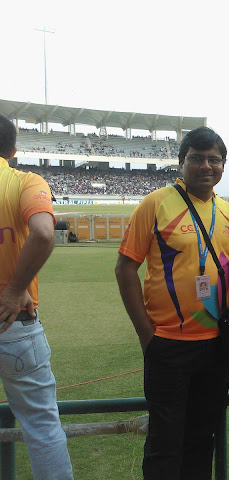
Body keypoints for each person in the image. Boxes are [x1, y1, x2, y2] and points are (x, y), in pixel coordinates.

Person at [115, 126, 229, 479]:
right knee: (164, 442)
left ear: (223, 166)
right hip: (167, 345)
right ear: (182, 162)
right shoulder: (155, 203)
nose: (206, 166)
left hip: (216, 346)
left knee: (201, 439)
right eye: (197, 158)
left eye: (214, 159)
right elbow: (125, 269)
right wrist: (146, 336)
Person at [0, 114, 74, 479]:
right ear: (13, 150)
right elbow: (44, 233)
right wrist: (15, 289)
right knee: (42, 427)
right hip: (13, 319)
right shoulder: (24, 181)